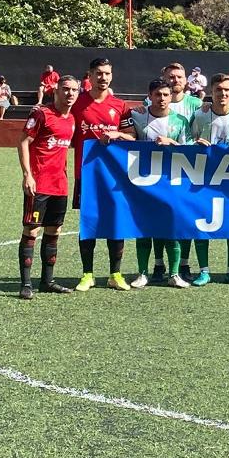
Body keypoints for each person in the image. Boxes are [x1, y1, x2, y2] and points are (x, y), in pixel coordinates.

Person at [71, 57, 133, 293]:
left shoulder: (120, 105)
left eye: (107, 73)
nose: (103, 78)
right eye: (98, 73)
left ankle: (115, 274)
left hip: (114, 176)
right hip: (86, 174)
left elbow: (132, 136)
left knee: (116, 222)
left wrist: (119, 135)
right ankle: (87, 274)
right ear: (89, 75)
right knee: (88, 223)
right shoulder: (78, 104)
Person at [15, 75, 80, 299]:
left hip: (60, 186)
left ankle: (47, 281)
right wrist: (27, 175)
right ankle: (25, 284)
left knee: (54, 231)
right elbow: (23, 141)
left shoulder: (71, 119)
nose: (70, 93)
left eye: (74, 90)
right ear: (56, 90)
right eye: (66, 89)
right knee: (31, 230)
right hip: (39, 184)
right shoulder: (41, 113)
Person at [188, 73, 229, 287]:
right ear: (212, 92)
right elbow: (188, 142)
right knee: (202, 223)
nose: (223, 94)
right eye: (218, 90)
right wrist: (195, 143)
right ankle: (204, 270)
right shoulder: (200, 115)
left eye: (226, 90)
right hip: (203, 179)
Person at [126, 79, 192, 289]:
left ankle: (173, 274)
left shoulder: (180, 120)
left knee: (172, 228)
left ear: (171, 96)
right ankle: (143, 273)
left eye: (165, 95)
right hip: (143, 182)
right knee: (144, 228)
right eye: (157, 95)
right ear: (149, 96)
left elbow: (190, 149)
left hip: (172, 181)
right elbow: (127, 140)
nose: (162, 99)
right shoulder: (137, 115)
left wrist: (171, 142)